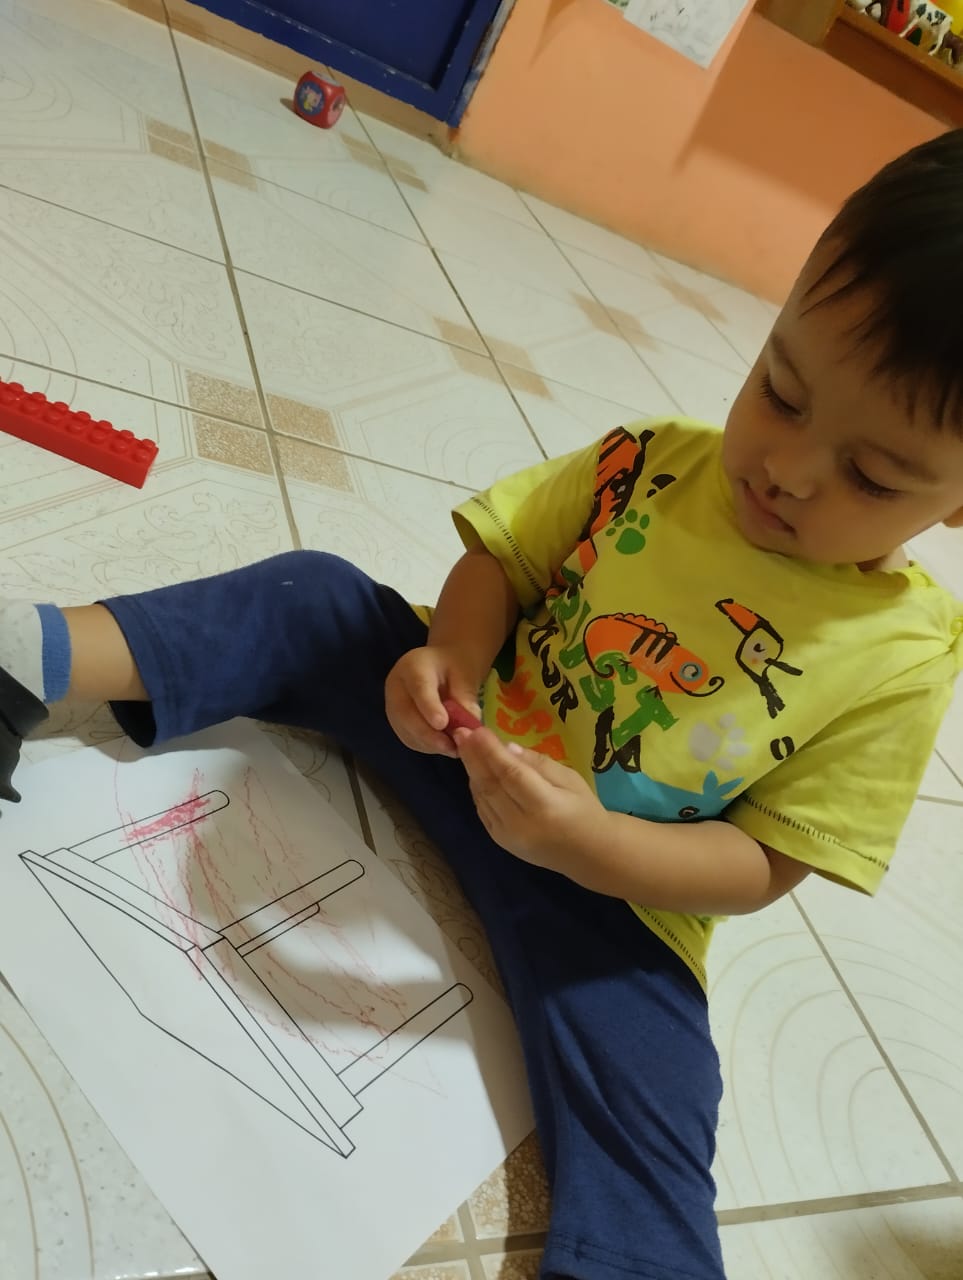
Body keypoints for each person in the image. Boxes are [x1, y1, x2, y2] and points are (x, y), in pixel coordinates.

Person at [2, 132, 963, 1280]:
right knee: (317, 594)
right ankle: (30, 657)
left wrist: (591, 843)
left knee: (667, 1088)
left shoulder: (903, 660)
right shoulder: (657, 461)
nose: (788, 468)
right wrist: (451, 652)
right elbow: (504, 557)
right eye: (781, 390)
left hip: (615, 895)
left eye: (873, 475)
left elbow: (765, 862)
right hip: (463, 729)